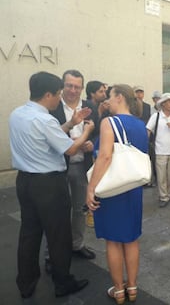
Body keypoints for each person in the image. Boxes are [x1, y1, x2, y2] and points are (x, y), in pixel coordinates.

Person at [9, 71, 94, 298]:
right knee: (59, 235)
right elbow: (69, 149)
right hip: (49, 184)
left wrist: (70, 123)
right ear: (48, 94)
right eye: (58, 93)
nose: (60, 98)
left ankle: (26, 284)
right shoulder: (45, 119)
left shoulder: (17, 114)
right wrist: (86, 130)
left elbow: (49, 137)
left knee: (29, 233)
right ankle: (62, 282)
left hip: (24, 182)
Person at [86, 84, 147, 305]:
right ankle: (132, 287)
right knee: (131, 239)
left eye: (110, 97)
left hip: (111, 188)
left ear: (119, 97)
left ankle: (119, 291)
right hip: (132, 188)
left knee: (113, 241)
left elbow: (104, 157)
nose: (107, 101)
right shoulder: (141, 125)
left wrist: (91, 188)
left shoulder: (108, 122)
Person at [50, 69, 98, 261]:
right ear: (63, 86)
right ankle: (51, 253)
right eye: (69, 85)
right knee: (57, 210)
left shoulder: (89, 106)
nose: (73, 90)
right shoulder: (53, 106)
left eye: (77, 87)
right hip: (58, 165)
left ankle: (77, 244)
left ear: (82, 88)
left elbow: (97, 132)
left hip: (81, 165)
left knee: (80, 208)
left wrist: (91, 144)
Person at [146, 93, 170, 207]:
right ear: (163, 104)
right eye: (169, 101)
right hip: (159, 150)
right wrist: (144, 144)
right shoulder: (156, 116)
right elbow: (148, 130)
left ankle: (168, 193)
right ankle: (163, 196)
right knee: (161, 176)